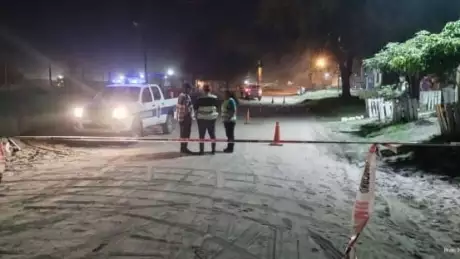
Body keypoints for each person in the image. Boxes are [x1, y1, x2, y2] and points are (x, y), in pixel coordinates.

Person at [194, 84, 219, 155]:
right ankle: (213, 150)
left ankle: (201, 151)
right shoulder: (214, 98)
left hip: (201, 119)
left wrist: (197, 116)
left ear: (203, 90)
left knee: (201, 135)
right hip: (211, 118)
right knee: (212, 135)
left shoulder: (199, 98)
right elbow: (217, 107)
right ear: (210, 90)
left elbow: (195, 108)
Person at [176, 83, 194, 154]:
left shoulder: (187, 96)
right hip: (184, 118)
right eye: (189, 89)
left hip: (187, 117)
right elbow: (182, 108)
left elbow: (189, 106)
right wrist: (185, 117)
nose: (190, 90)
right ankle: (183, 149)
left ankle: (184, 148)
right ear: (186, 88)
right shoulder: (183, 96)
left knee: (186, 134)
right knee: (184, 134)